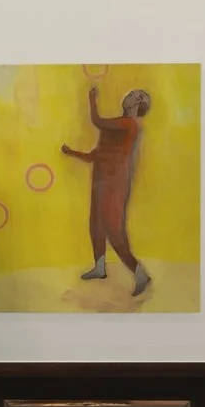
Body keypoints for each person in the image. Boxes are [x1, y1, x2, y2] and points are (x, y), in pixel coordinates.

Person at [62, 81, 153, 296]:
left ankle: (140, 274)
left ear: (137, 103)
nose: (128, 95)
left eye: (133, 94)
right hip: (101, 180)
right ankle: (100, 267)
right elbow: (96, 155)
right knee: (96, 224)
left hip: (114, 183)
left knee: (114, 229)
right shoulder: (119, 124)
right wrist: (72, 153)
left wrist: (92, 100)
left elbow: (97, 121)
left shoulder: (129, 125)